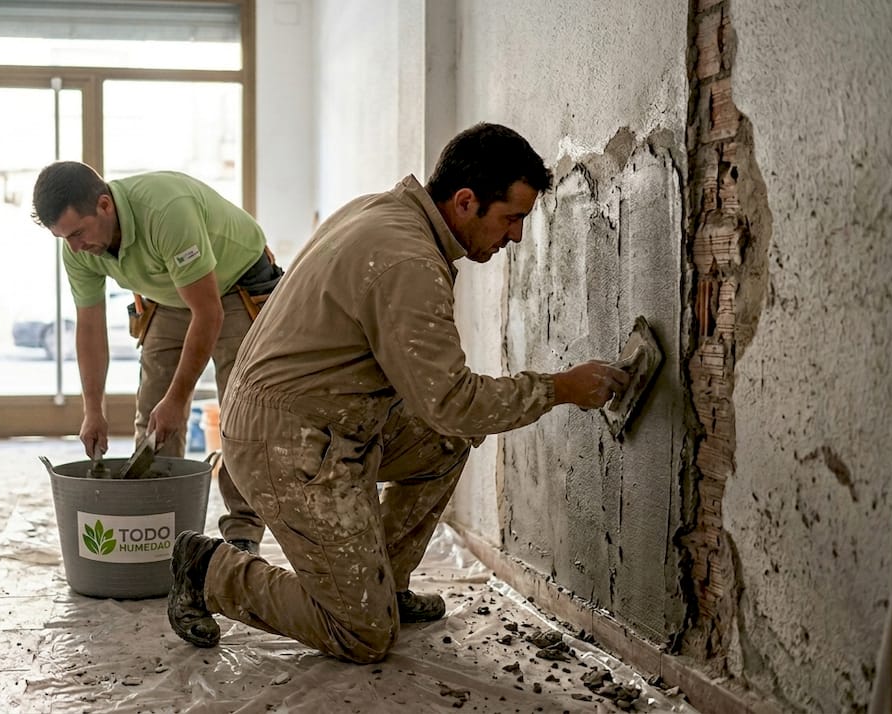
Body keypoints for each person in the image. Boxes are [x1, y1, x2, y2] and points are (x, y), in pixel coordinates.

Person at [166, 123, 630, 663]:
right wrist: (559, 388)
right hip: (288, 441)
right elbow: (452, 402)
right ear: (465, 202)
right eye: (512, 218)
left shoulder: (389, 213)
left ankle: (383, 584)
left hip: (331, 417)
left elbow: (439, 410)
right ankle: (210, 570)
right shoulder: (408, 259)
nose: (516, 236)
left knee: (446, 441)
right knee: (362, 635)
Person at [31, 162, 282, 554]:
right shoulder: (77, 249)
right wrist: (92, 410)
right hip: (168, 293)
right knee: (153, 412)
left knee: (240, 415)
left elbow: (209, 313)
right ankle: (160, 528)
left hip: (235, 284)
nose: (76, 247)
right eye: (64, 238)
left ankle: (242, 534)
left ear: (104, 205)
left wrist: (180, 400)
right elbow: (90, 329)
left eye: (78, 233)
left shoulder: (167, 212)